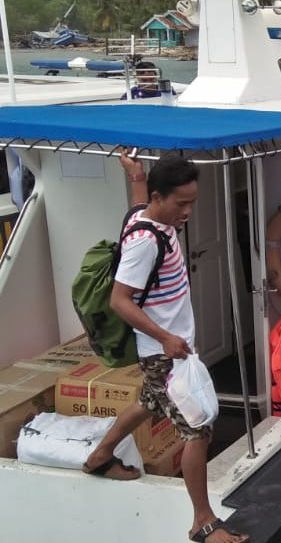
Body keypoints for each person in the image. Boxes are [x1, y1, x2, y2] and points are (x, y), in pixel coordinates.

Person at [82, 152, 248, 543]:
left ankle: (99, 456)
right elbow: (120, 300)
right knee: (197, 428)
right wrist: (166, 338)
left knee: (150, 402)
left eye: (193, 201)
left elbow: (139, 202)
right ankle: (203, 522)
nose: (188, 211)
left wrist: (135, 176)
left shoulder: (146, 215)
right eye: (182, 203)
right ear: (161, 198)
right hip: (163, 353)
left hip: (167, 349)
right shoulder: (145, 242)